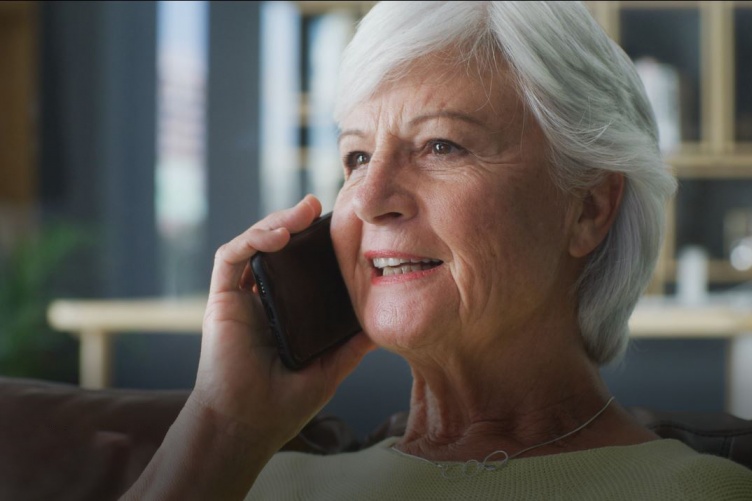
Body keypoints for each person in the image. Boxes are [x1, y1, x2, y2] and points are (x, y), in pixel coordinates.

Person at [124, 1, 752, 499]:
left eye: (441, 146)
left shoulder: (703, 493)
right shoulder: (257, 484)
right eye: (357, 156)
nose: (368, 199)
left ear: (588, 208)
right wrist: (223, 425)